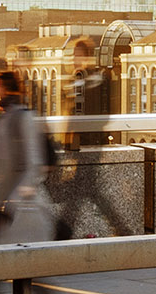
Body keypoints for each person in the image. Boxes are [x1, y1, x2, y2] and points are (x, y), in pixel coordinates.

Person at [0, 65, 87, 294]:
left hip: (20, 215)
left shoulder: (24, 118)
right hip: (4, 211)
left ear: (5, 88)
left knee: (13, 279)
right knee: (26, 280)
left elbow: (34, 166)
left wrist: (10, 207)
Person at [54, 37, 131, 239]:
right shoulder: (75, 79)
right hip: (78, 143)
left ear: (87, 57)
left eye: (78, 56)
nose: (74, 60)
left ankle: (61, 234)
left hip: (90, 144)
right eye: (73, 56)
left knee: (80, 190)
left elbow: (99, 112)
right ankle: (121, 229)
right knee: (88, 190)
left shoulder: (95, 78)